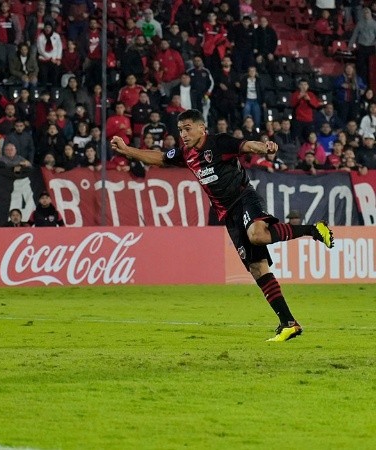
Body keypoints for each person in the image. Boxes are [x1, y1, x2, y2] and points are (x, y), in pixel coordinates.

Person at [110, 109, 335, 342]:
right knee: (257, 268)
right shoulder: (186, 153)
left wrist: (265, 147)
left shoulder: (219, 143)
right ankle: (289, 323)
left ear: (201, 128)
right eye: (180, 130)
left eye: (187, 129)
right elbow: (159, 157)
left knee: (258, 234)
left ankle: (313, 230)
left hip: (244, 199)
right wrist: (127, 150)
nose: (183, 134)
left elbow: (246, 145)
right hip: (228, 216)